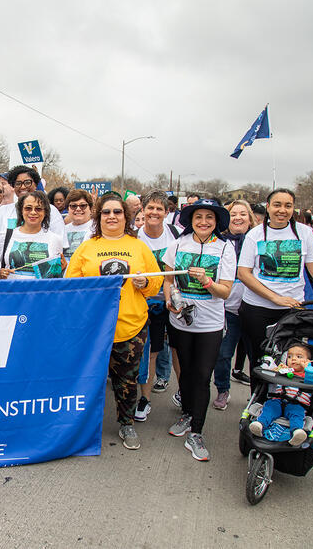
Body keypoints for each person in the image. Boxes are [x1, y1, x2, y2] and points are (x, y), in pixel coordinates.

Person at [66, 194, 162, 450]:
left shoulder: (139, 247)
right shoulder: (87, 248)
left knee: (127, 380)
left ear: (125, 216)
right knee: (88, 378)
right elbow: (71, 285)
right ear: (98, 217)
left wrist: (145, 283)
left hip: (131, 326)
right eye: (106, 212)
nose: (111, 216)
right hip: (93, 328)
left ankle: (126, 423)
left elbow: (155, 284)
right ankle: (82, 425)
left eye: (117, 212)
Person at [238, 189, 313, 393]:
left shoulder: (304, 232)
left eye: (287, 205)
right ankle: (257, 406)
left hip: (293, 309)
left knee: (291, 361)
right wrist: (275, 298)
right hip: (258, 309)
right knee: (262, 362)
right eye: (277, 205)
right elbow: (244, 273)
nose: (282, 210)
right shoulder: (255, 234)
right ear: (268, 207)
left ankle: (285, 403)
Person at [163, 198, 236, 461]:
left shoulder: (226, 249)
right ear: (190, 220)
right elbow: (168, 278)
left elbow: (225, 291)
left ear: (217, 222)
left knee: (203, 375)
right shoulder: (177, 244)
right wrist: (170, 300)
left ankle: (197, 432)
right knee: (184, 370)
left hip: (210, 324)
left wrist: (206, 281)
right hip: (180, 321)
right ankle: (187, 413)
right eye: (198, 217)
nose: (204, 222)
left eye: (209, 217)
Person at [135, 191, 180, 420]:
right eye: (150, 208)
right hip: (144, 303)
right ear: (143, 210)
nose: (154, 212)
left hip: (171, 301)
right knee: (149, 353)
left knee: (177, 349)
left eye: (159, 209)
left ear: (166, 212)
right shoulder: (134, 237)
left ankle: (185, 394)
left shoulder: (175, 235)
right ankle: (145, 399)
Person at [211, 200, 257, 410]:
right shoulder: (219, 243)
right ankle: (222, 389)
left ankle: (258, 397)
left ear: (250, 218)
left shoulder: (258, 240)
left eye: (243, 214)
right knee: (223, 354)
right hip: (228, 309)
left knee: (258, 356)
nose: (238, 218)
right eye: (234, 214)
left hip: (254, 309)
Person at [249, 343, 312, 446]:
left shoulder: (308, 375)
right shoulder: (283, 370)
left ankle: (296, 432)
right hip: (278, 400)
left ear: (307, 361)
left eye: (299, 357)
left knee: (296, 414)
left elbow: (312, 382)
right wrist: (276, 371)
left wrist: (308, 369)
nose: (293, 359)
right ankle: (260, 424)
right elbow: (271, 376)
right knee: (269, 408)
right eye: (290, 356)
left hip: (296, 404)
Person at [0, 191, 66, 278]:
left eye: (38, 209)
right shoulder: (6, 236)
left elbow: (55, 275)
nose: (33, 212)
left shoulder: (55, 239)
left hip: (41, 290)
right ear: (21, 211)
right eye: (28, 208)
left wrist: (62, 269)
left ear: (45, 212)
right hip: (12, 290)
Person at [0, 166, 65, 241]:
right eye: (18, 183)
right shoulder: (1, 213)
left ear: (36, 184)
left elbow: (59, 241)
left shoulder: (51, 211)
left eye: (27, 183)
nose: (23, 187)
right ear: (13, 186)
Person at [62, 189, 94, 263]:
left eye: (83, 206)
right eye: (73, 206)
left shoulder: (98, 229)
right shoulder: (62, 230)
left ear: (90, 208)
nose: (78, 209)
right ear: (68, 209)